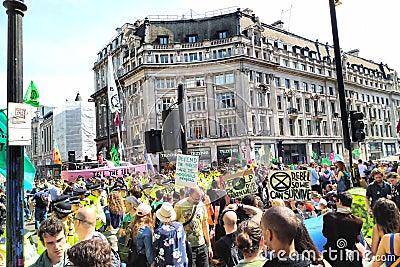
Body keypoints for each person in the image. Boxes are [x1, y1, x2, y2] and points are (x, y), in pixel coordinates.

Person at [174, 187, 213, 267]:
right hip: (187, 247)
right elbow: (174, 224)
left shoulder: (201, 205)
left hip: (201, 245)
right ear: (189, 195)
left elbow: (205, 225)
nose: (198, 201)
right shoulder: (179, 206)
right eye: (195, 199)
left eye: (199, 199)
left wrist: (209, 245)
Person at [322, 192, 363, 267]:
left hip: (332, 256)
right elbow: (357, 239)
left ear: (339, 201)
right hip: (350, 259)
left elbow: (325, 234)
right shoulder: (358, 221)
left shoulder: (329, 217)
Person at [153, 202, 188, 267]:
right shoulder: (180, 226)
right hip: (180, 262)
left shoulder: (160, 232)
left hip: (165, 263)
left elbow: (155, 249)